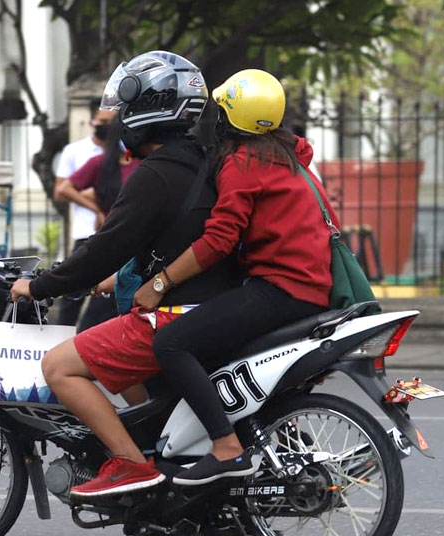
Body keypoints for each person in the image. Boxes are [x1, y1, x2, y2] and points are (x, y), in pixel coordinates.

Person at [10, 51, 238, 497]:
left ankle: (132, 466)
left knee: (59, 367)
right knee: (113, 350)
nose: (118, 123)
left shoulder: (155, 175)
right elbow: (172, 238)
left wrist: (37, 285)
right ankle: (158, 447)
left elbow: (103, 248)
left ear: (146, 112)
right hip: (220, 305)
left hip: (178, 312)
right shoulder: (209, 162)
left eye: (125, 111)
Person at [131, 69, 336, 485]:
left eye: (218, 111)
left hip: (279, 290)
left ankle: (226, 448)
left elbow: (219, 241)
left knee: (171, 343)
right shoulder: (293, 160)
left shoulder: (243, 163)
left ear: (227, 119)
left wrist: (159, 283)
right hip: (312, 289)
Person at [57, 119, 136, 331]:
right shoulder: (99, 164)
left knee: (103, 307)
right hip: (103, 240)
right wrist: (97, 210)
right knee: (73, 296)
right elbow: (64, 189)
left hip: (131, 245)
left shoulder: (143, 165)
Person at [53, 100, 115, 327]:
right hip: (86, 231)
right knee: (72, 295)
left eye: (112, 122)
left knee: (107, 298)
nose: (107, 126)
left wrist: (90, 191)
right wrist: (97, 201)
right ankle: (62, 341)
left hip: (114, 234)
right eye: (103, 122)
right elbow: (62, 191)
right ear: (92, 122)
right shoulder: (76, 151)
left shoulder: (122, 154)